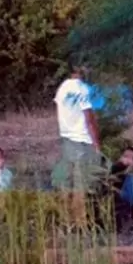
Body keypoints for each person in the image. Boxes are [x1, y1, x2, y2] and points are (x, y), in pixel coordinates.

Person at [53, 64, 101, 193]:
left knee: (68, 185)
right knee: (82, 187)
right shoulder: (82, 88)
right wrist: (97, 145)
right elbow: (89, 120)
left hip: (67, 138)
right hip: (83, 141)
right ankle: (80, 212)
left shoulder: (62, 88)